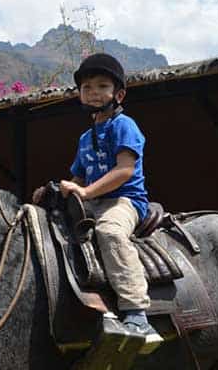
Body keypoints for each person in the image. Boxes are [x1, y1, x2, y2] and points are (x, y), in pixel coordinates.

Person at [33, 53, 162, 343]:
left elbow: (125, 170)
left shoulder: (124, 125)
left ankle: (137, 313)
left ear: (119, 94)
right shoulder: (83, 138)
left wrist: (86, 192)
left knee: (109, 233)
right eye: (87, 87)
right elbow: (79, 178)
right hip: (94, 200)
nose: (93, 93)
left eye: (102, 86)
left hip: (125, 200)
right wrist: (56, 189)